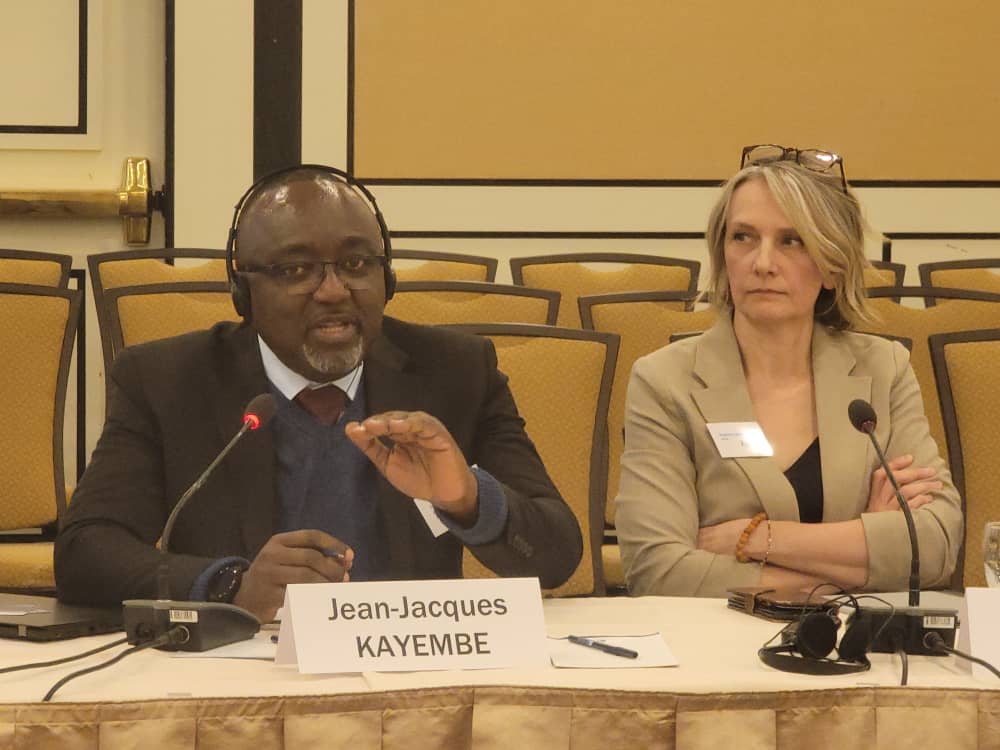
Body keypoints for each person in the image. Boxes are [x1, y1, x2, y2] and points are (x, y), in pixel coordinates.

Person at [55, 165, 582, 621]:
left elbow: (556, 556)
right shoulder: (168, 381)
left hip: (412, 664)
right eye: (296, 270)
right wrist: (231, 585)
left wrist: (469, 500)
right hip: (242, 669)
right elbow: (85, 553)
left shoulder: (455, 371)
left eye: (356, 265)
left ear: (387, 278)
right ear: (243, 292)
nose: (333, 291)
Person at [615, 144, 963, 598]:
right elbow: (659, 571)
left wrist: (755, 539)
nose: (762, 263)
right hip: (720, 638)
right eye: (743, 237)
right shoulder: (664, 381)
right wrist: (863, 550)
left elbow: (935, 544)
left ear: (832, 266)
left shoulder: (883, 368)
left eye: (791, 241)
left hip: (859, 640)